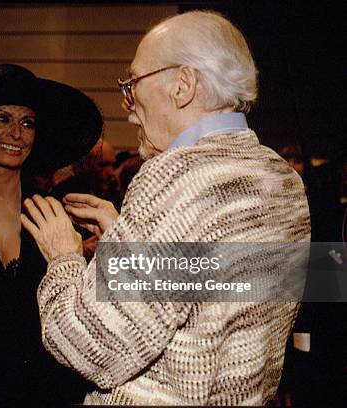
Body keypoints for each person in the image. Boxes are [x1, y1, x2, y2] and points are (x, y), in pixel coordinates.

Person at [21, 11, 310, 405]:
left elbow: (87, 345)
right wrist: (127, 241)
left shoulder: (174, 175)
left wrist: (64, 257)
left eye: (132, 83)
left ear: (182, 85)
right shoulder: (283, 179)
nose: (128, 106)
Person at [0, 64, 102, 405]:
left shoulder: (58, 215)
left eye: (27, 123)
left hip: (48, 394)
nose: (16, 133)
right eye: (1, 118)